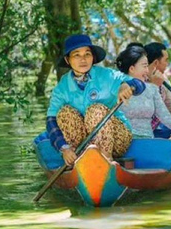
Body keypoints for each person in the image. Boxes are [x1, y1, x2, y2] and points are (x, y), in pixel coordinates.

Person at [46, 34, 145, 166]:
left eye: (87, 54)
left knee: (95, 110)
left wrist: (126, 86)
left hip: (117, 139)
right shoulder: (62, 87)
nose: (83, 59)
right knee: (64, 113)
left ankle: (105, 162)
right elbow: (51, 120)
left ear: (93, 57)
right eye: (77, 55)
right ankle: (80, 160)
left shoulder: (107, 75)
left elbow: (139, 84)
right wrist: (64, 148)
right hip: (83, 144)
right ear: (67, 59)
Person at [116, 45, 171, 145]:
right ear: (132, 68)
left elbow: (166, 117)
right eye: (144, 66)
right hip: (123, 143)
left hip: (147, 141)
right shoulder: (115, 87)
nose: (147, 70)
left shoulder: (152, 89)